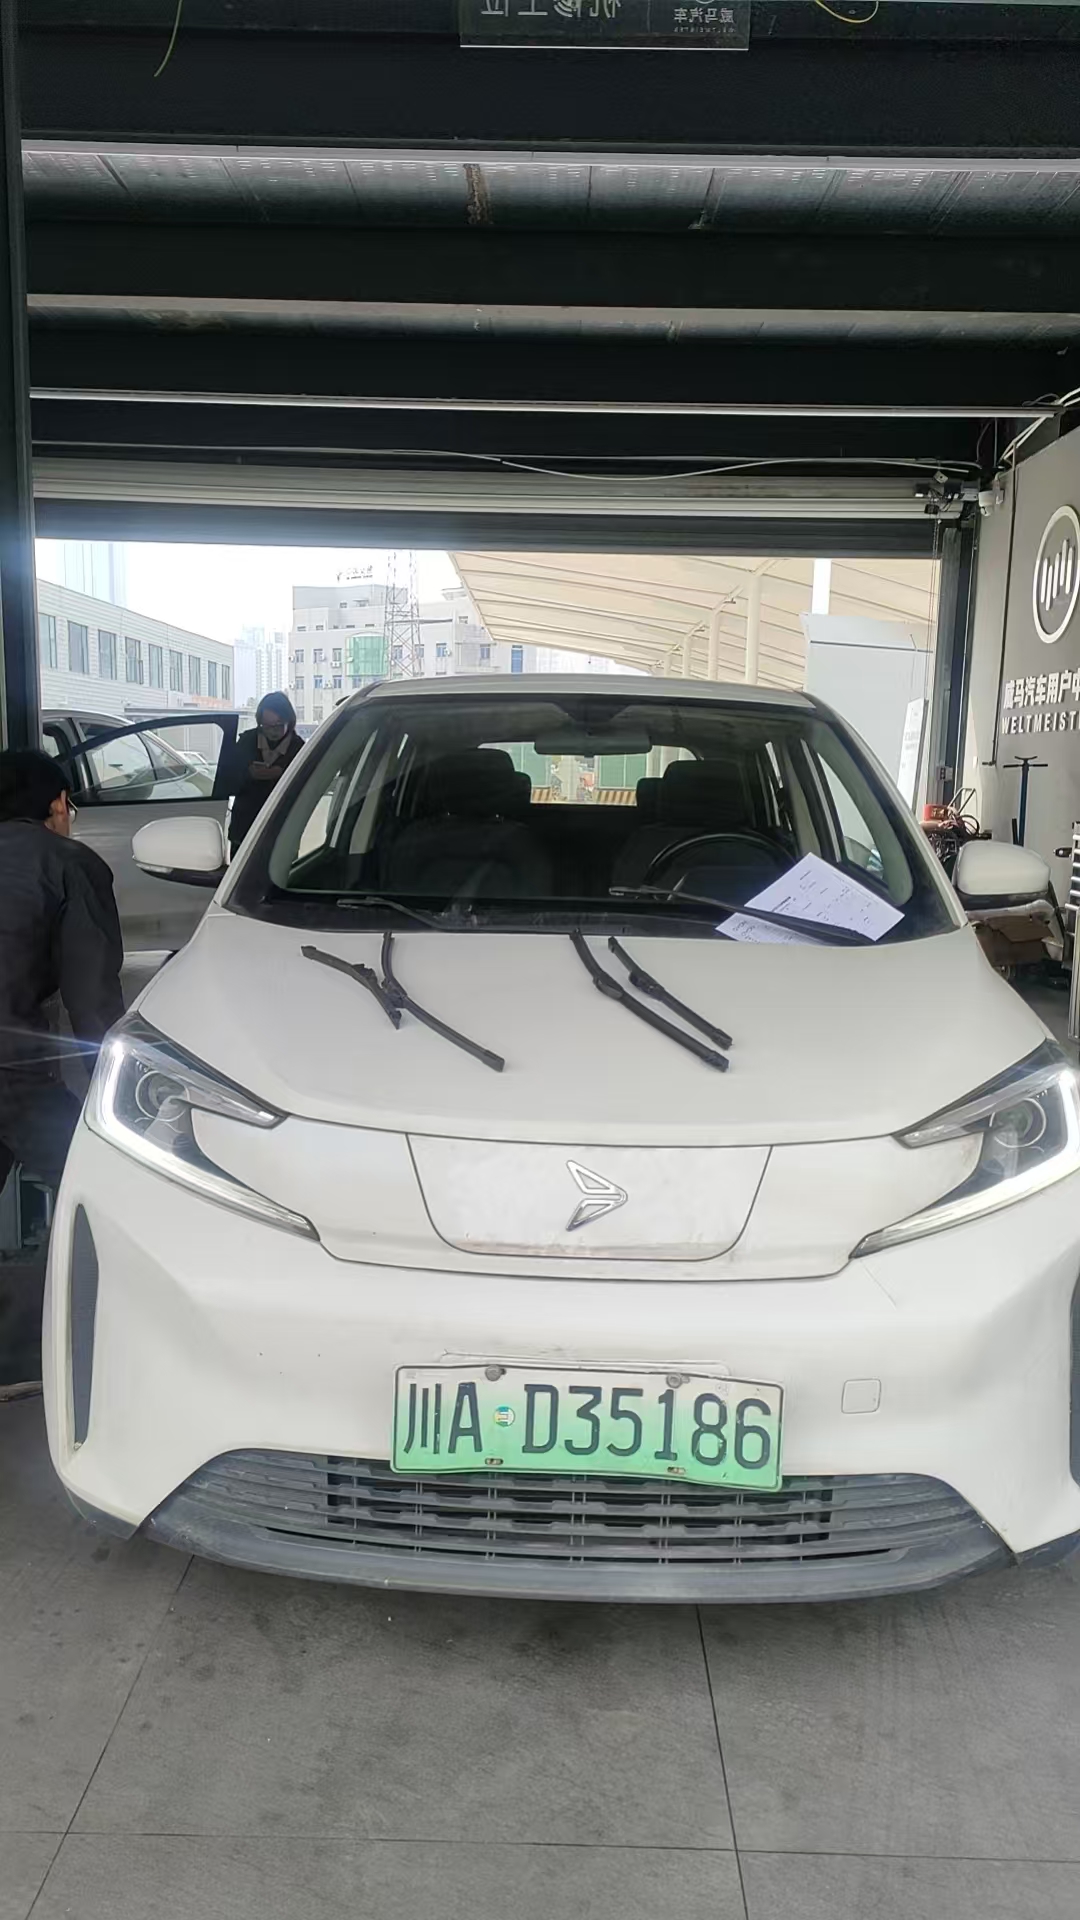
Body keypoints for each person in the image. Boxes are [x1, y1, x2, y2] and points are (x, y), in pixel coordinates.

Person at [0, 749, 124, 1193]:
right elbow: (92, 1000)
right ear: (58, 802)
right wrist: (117, 1098)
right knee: (106, 1185)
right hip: (11, 1069)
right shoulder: (69, 863)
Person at [222, 692, 304, 853]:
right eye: (266, 726)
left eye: (278, 725)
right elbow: (228, 779)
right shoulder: (247, 741)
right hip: (245, 826)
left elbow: (305, 788)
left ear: (289, 721)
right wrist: (248, 774)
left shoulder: (298, 748)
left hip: (282, 827)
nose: (272, 731)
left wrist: (282, 774)